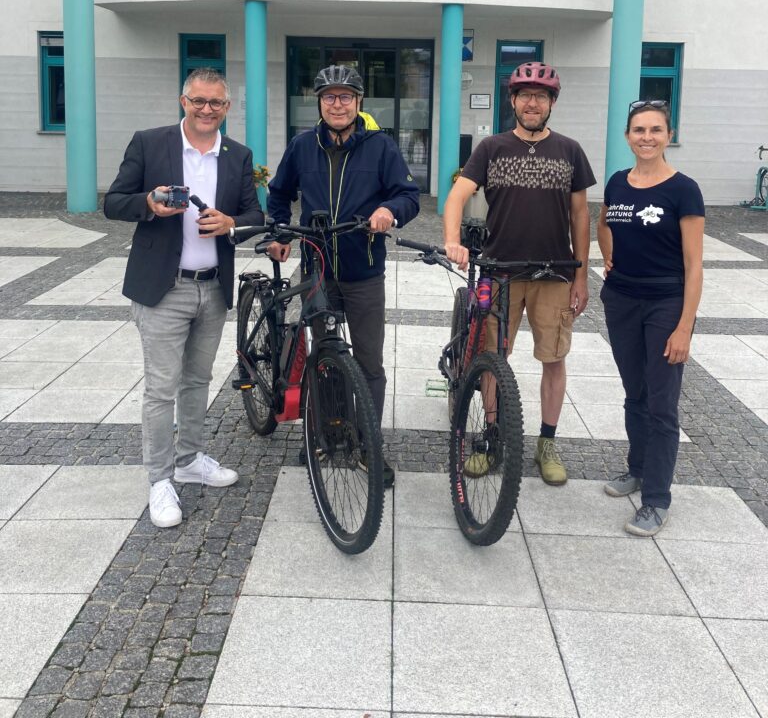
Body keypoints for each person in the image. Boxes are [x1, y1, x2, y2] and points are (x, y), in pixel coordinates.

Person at [105, 68, 263, 528]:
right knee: (160, 387)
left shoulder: (237, 155)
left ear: (227, 108)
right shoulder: (150, 143)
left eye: (216, 103)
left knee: (197, 380)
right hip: (163, 286)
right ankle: (159, 479)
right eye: (198, 101)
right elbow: (114, 201)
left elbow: (254, 212)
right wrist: (149, 205)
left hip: (213, 286)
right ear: (183, 101)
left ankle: (190, 459)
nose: (207, 110)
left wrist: (231, 221)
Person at [266, 64, 420, 488]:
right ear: (318, 102)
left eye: (346, 96)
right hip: (317, 269)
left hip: (363, 270)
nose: (338, 103)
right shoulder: (302, 146)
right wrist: (279, 233)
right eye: (330, 97)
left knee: (369, 362)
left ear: (359, 103)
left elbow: (408, 195)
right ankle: (328, 433)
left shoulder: (381, 148)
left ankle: (368, 444)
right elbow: (278, 194)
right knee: (325, 356)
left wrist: (390, 211)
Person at [443, 62, 594, 485]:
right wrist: (453, 238)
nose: (532, 102)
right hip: (501, 271)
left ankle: (547, 441)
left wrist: (582, 275)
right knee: (493, 358)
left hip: (555, 273)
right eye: (525, 95)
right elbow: (457, 195)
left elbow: (580, 215)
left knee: (554, 358)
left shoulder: (569, 150)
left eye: (541, 96)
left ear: (551, 104)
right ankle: (491, 435)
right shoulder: (491, 148)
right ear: (512, 101)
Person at [597, 99, 704, 536]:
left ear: (668, 135)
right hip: (621, 300)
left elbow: (695, 264)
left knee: (662, 405)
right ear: (627, 136)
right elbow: (604, 222)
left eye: (655, 130)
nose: (646, 137)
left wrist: (684, 326)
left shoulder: (683, 190)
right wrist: (609, 257)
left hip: (665, 304)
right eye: (639, 130)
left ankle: (657, 499)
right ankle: (637, 469)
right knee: (634, 393)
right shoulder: (618, 182)